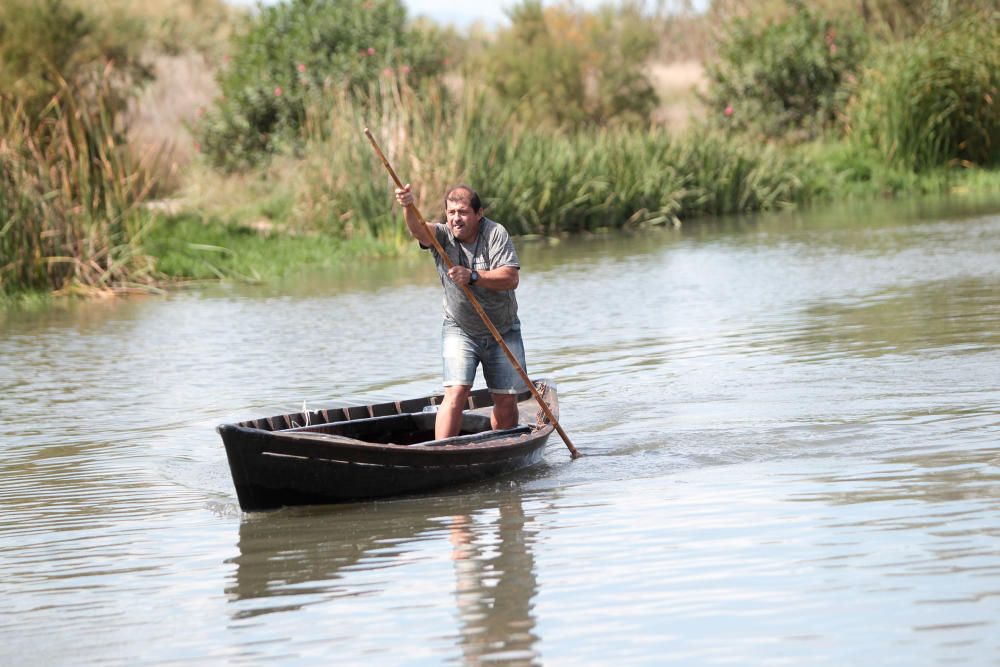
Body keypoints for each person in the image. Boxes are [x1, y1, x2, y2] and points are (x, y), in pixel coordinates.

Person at [395, 183, 528, 440]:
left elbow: (511, 278)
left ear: (479, 213)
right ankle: (441, 452)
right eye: (451, 212)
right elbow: (419, 230)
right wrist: (407, 205)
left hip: (503, 328)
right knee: (456, 392)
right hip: (460, 328)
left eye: (463, 212)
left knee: (506, 399)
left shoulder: (495, 233)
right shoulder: (442, 236)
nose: (457, 218)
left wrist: (473, 276)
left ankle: (500, 449)